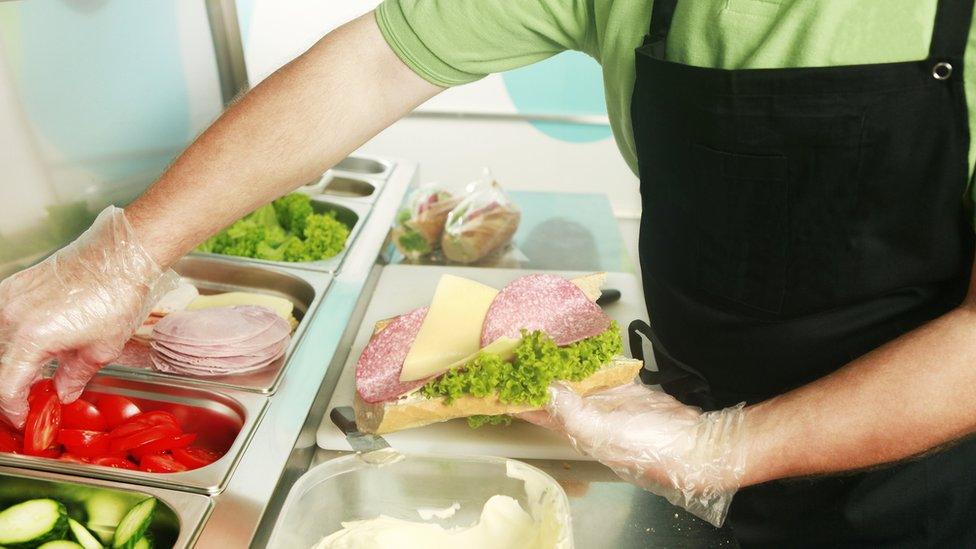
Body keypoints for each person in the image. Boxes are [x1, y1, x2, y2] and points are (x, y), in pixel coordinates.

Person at [2, 1, 976, 545]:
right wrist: (123, 253)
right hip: (679, 425)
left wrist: (729, 451)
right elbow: (376, 64)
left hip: (911, 480)